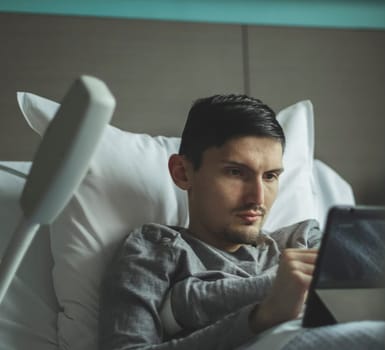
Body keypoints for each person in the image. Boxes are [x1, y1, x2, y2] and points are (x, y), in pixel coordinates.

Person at [98, 94, 322, 350]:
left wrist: (187, 303)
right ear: (183, 173)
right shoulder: (159, 249)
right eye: (236, 172)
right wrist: (261, 315)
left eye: (270, 176)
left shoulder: (300, 240)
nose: (257, 198)